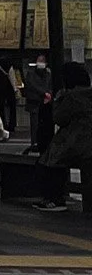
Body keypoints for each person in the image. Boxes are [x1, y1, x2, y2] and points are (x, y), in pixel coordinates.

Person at [37, 61, 92, 211]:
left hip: (77, 144)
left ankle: (54, 199)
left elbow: (59, 118)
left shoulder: (71, 96)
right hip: (87, 146)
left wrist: (58, 100)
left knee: (51, 158)